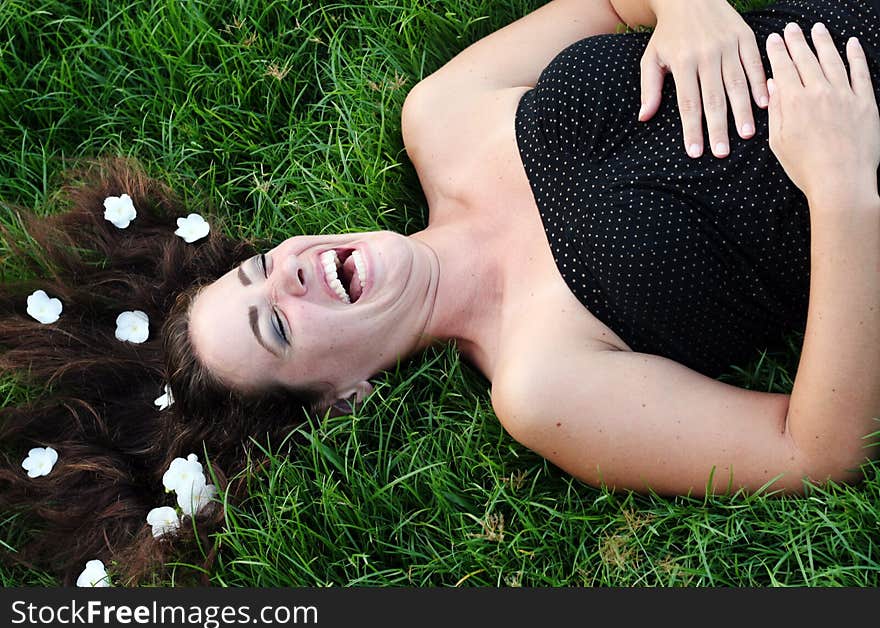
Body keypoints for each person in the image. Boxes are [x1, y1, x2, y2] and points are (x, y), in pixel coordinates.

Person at [1, 0, 878, 586]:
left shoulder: (443, 115)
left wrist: (686, 11)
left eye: (255, 268)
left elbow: (614, 6)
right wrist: (842, 191)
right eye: (276, 324)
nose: (291, 272)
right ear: (344, 397)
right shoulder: (544, 386)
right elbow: (812, 449)